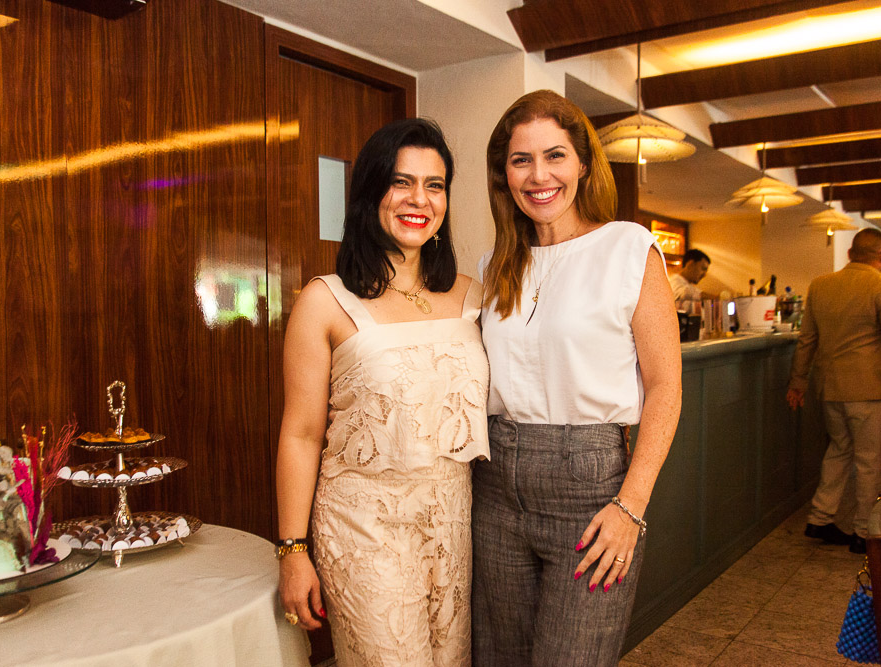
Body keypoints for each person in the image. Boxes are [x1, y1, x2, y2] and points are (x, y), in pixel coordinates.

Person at [472, 89, 682, 666]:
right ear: (504, 174)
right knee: (500, 658)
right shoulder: (495, 264)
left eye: (555, 155)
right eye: (521, 160)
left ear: (584, 164)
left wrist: (631, 506)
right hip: (494, 486)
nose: (539, 175)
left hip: (591, 490)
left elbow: (666, 387)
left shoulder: (628, 248)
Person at [275, 118, 489, 666]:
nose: (419, 199)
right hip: (363, 529)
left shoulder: (472, 298)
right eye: (401, 182)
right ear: (371, 192)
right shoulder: (325, 301)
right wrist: (293, 549)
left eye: (434, 185)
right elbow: (301, 435)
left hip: (452, 524)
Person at [786, 228, 881, 554]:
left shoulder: (821, 285)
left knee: (839, 450)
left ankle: (820, 518)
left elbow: (807, 340)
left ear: (849, 254)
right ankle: (865, 532)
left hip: (830, 388)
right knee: (870, 461)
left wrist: (798, 382)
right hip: (869, 390)